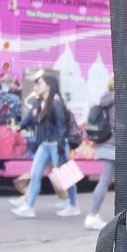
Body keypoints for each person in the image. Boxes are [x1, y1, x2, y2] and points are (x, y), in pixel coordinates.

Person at [11, 72, 80, 219]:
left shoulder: (56, 103)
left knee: (66, 176)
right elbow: (31, 118)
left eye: (40, 83)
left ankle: (73, 205)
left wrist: (60, 146)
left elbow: (61, 126)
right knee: (35, 174)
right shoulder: (41, 102)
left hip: (57, 145)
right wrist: (20, 127)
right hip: (45, 145)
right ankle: (29, 207)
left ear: (48, 86)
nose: (37, 86)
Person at [84, 76, 116, 230]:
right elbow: (126, 127)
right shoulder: (119, 101)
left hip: (105, 145)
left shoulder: (106, 99)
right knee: (105, 181)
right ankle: (92, 215)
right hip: (114, 146)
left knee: (121, 182)